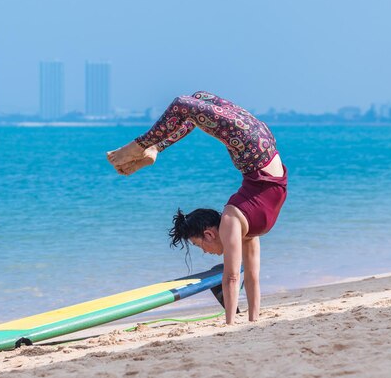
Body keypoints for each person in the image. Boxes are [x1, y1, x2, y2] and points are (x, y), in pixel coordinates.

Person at [107, 91, 287, 325]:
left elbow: (232, 277)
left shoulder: (233, 218)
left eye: (198, 244)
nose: (205, 251)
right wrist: (253, 322)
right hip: (258, 144)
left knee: (183, 104)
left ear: (209, 233)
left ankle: (141, 146)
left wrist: (230, 324)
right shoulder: (247, 229)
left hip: (252, 147)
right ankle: (155, 148)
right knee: (195, 102)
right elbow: (251, 277)